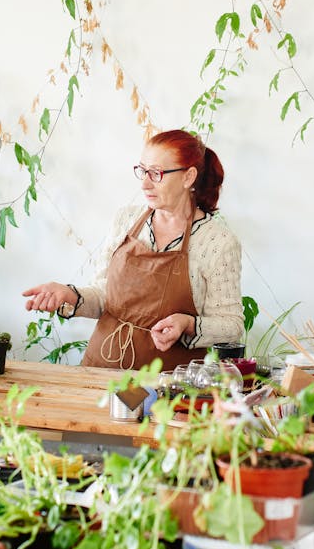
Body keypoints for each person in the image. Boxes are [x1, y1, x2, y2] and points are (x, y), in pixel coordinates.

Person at [23, 129, 243, 370]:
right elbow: (104, 297)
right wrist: (69, 294)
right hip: (101, 369)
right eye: (142, 171)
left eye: (156, 173)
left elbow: (231, 326)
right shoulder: (126, 220)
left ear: (188, 177)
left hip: (169, 385)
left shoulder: (217, 242)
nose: (144, 184)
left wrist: (188, 323)